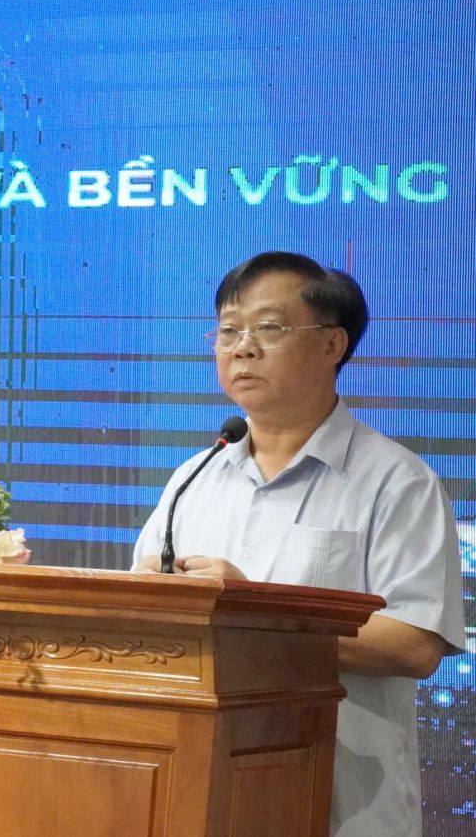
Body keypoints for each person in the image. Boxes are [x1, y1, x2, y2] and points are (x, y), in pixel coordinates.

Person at [132, 250, 464, 837]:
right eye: (228, 331)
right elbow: (140, 611)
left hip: (342, 805)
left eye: (268, 328)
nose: (242, 348)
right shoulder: (192, 479)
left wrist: (251, 614)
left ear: (332, 344)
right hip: (199, 796)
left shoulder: (397, 481)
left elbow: (414, 644)